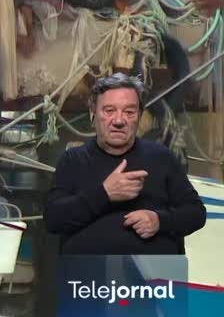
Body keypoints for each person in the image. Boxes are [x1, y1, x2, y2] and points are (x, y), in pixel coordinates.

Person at [44, 73, 207, 254]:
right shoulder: (73, 161)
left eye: (129, 112)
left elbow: (196, 213)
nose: (119, 121)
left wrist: (160, 221)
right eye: (109, 111)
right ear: (93, 114)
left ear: (139, 116)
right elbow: (53, 219)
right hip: (88, 278)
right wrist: (105, 194)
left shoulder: (161, 157)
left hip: (155, 278)